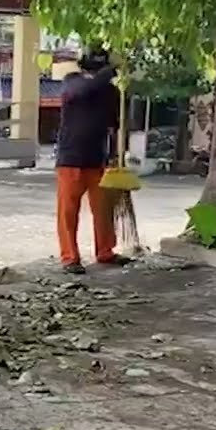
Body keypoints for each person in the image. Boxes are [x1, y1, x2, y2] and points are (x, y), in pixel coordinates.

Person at [54, 46, 130, 274]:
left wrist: (118, 153)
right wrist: (108, 73)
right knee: (68, 212)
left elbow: (115, 124)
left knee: (103, 210)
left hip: (98, 159)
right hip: (70, 158)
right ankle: (69, 257)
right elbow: (82, 91)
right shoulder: (72, 81)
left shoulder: (109, 91)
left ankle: (105, 251)